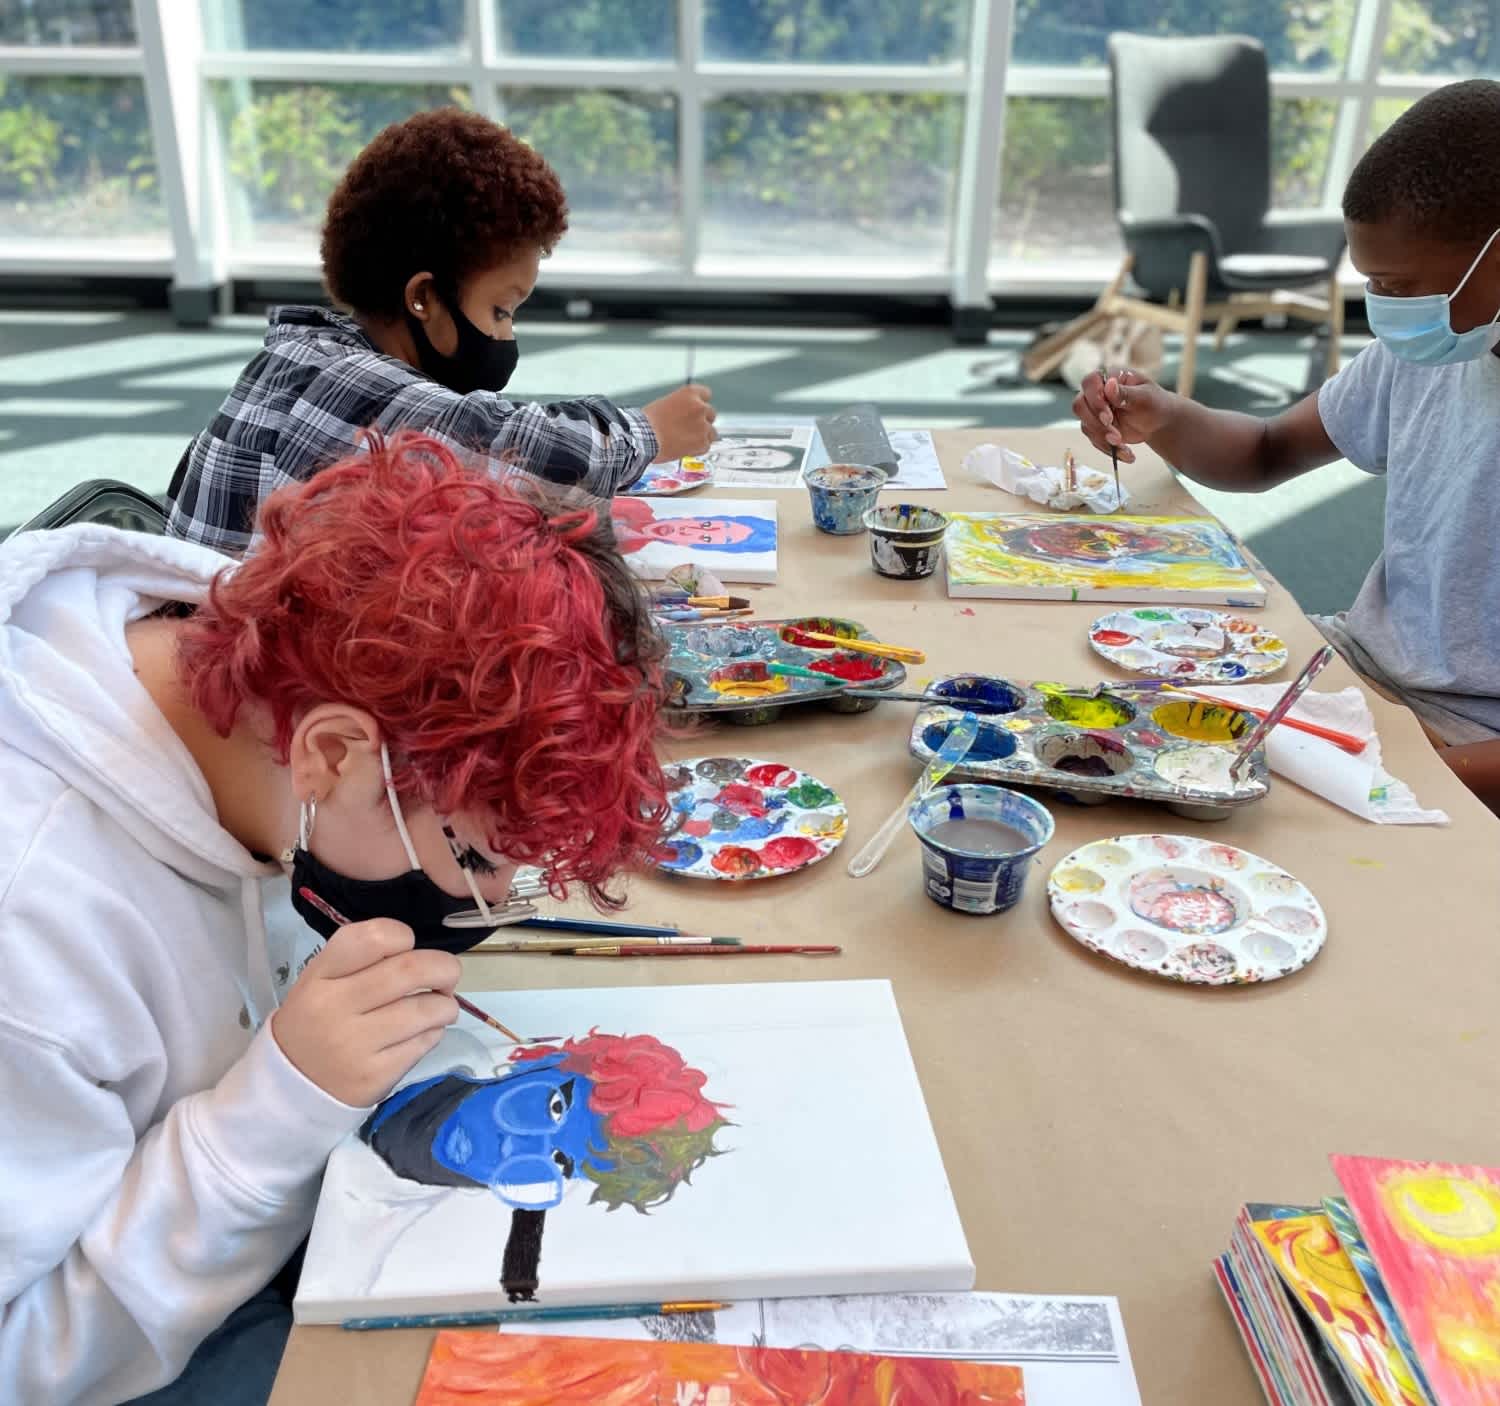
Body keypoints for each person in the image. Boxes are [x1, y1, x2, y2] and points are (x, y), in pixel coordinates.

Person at [0, 432, 670, 1405]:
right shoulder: (30, 926)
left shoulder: (270, 700)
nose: (489, 902)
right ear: (332, 756)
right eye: (478, 860)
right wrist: (279, 1107)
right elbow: (23, 1355)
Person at [1072, 79, 1500, 813]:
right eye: (1372, 283)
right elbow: (1267, 451)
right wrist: (1165, 417)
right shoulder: (1430, 355)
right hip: (1356, 674)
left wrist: (1419, 776)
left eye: (1402, 286)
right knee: (1108, 725)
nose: (1386, 308)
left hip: (1465, 744)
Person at [166, 107, 715, 554]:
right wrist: (650, 431)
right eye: (500, 310)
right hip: (235, 654)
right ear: (423, 298)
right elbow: (530, 450)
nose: (506, 336)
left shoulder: (301, 355)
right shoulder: (356, 389)